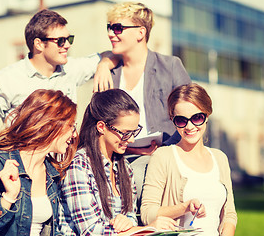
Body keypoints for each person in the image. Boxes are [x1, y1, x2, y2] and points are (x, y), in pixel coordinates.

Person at [0, 9, 117, 152]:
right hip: (27, 171)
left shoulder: (70, 69)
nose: (67, 45)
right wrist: (3, 164)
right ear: (39, 44)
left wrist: (104, 64)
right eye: (60, 41)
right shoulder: (6, 80)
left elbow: (113, 54)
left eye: (69, 39)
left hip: (64, 167)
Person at [58, 89, 177, 235]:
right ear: (101, 127)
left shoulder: (124, 167)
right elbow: (90, 231)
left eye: (134, 132)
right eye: (126, 133)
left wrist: (127, 222)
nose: (132, 140)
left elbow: (131, 216)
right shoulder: (79, 166)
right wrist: (147, 229)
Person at [106, 2, 192, 201]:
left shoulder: (170, 66)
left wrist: (163, 152)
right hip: (117, 155)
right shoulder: (109, 73)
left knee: (136, 175)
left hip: (162, 155)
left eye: (118, 27)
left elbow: (190, 114)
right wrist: (134, 149)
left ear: (140, 32)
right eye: (109, 27)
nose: (111, 33)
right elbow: (97, 124)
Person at [0, 89, 78, 235]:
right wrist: (8, 198)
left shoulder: (52, 174)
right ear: (50, 124)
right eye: (71, 126)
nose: (74, 134)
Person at [141, 83, 237, 236]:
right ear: (173, 120)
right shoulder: (163, 156)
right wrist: (184, 207)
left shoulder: (220, 158)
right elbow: (147, 213)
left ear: (207, 115)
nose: (190, 126)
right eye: (181, 120)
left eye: (197, 118)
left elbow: (229, 214)